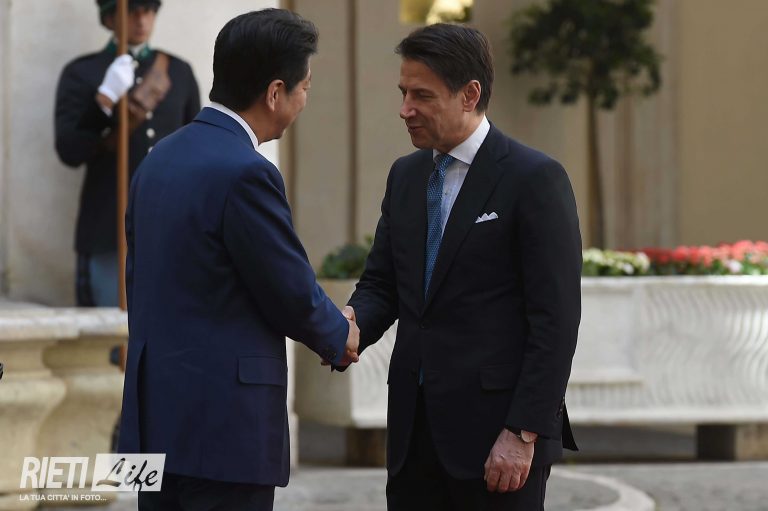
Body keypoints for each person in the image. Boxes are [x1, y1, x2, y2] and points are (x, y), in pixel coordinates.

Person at [117, 8, 360, 511]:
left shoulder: (157, 160)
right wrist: (340, 336)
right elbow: (288, 288)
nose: (305, 99)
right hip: (223, 430)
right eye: (305, 87)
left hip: (156, 421)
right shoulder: (247, 172)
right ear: (275, 92)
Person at [343, 23, 582, 510]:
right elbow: (383, 284)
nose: (405, 109)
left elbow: (555, 321)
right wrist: (345, 325)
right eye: (403, 93)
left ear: (470, 95)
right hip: (413, 438)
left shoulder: (534, 178)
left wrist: (523, 432)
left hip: (499, 440)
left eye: (422, 96)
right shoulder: (405, 176)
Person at [55, 0, 200, 306]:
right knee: (110, 328)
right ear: (110, 18)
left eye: (148, 11)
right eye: (132, 11)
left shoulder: (179, 72)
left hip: (171, 226)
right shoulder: (82, 72)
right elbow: (70, 151)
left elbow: (196, 150)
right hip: (109, 226)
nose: (142, 20)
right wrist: (104, 100)